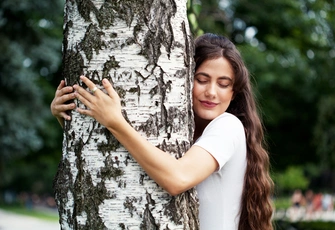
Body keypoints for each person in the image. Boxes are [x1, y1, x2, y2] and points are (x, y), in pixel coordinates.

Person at [51, 33, 274, 229]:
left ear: (234, 93)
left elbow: (177, 178)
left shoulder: (228, 126)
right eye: (202, 80)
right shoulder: (192, 135)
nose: (212, 92)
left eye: (223, 84)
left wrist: (115, 122)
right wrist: (70, 118)